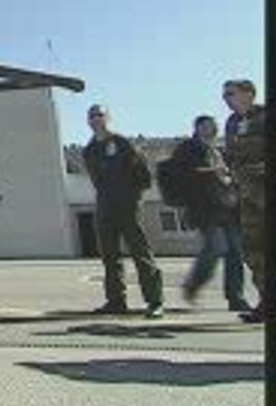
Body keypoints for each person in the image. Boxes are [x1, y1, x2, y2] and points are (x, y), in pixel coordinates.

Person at [82, 104, 164, 318]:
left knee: (140, 252)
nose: (96, 119)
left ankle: (155, 300)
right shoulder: (89, 150)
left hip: (127, 203)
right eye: (92, 116)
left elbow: (143, 173)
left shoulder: (122, 143)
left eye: (100, 115)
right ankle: (116, 300)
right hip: (105, 204)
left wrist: (134, 197)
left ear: (108, 118)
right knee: (109, 255)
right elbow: (95, 179)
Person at [174, 116, 250, 311]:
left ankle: (235, 297)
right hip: (204, 209)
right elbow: (185, 173)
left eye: (214, 125)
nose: (212, 128)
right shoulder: (188, 148)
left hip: (227, 208)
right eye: (207, 125)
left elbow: (228, 175)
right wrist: (216, 170)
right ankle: (192, 285)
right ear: (197, 127)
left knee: (235, 251)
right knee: (216, 247)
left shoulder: (218, 150)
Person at [221, 79, 266, 324]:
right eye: (224, 94)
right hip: (246, 195)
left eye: (231, 93)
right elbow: (231, 157)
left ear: (248, 93)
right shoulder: (232, 123)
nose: (226, 98)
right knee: (254, 250)